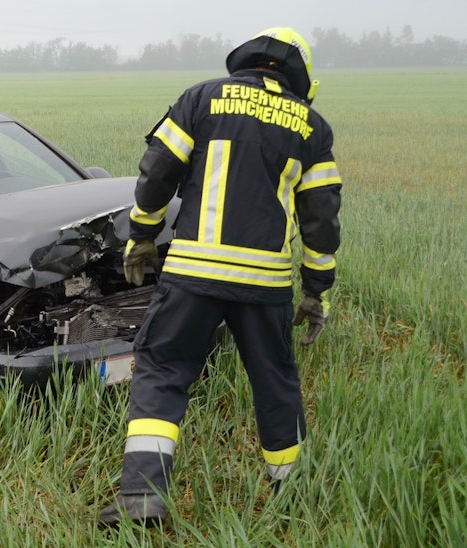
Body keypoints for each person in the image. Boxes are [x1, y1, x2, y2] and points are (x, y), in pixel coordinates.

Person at [98, 27, 342, 526]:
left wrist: (143, 233)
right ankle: (291, 493)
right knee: (275, 381)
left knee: (164, 371)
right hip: (266, 284)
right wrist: (317, 291)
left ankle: (142, 496)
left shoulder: (201, 98)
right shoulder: (312, 127)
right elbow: (321, 220)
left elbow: (157, 171)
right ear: (300, 77)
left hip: (192, 275)